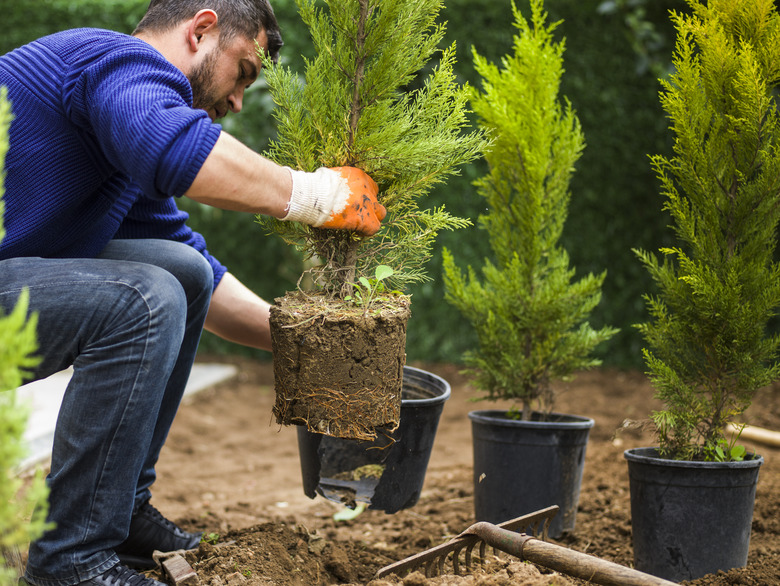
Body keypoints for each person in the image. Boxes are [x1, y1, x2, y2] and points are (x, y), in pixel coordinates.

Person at [0, 1, 386, 585]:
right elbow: (178, 151)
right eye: (244, 72)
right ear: (201, 29)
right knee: (142, 297)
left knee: (179, 270)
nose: (237, 100)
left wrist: (312, 347)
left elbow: (199, 269)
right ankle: (71, 563)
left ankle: (116, 514)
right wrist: (320, 197)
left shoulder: (119, 135)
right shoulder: (113, 59)